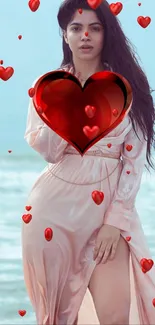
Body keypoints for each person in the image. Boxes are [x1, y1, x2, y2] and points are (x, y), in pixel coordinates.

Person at [21, 0, 155, 324]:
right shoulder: (48, 87)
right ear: (64, 35)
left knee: (115, 317)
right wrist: (67, 101)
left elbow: (132, 160)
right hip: (52, 214)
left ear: (106, 34)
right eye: (76, 28)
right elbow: (51, 152)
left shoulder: (126, 87)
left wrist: (114, 221)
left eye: (95, 28)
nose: (85, 36)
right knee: (59, 318)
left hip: (107, 216)